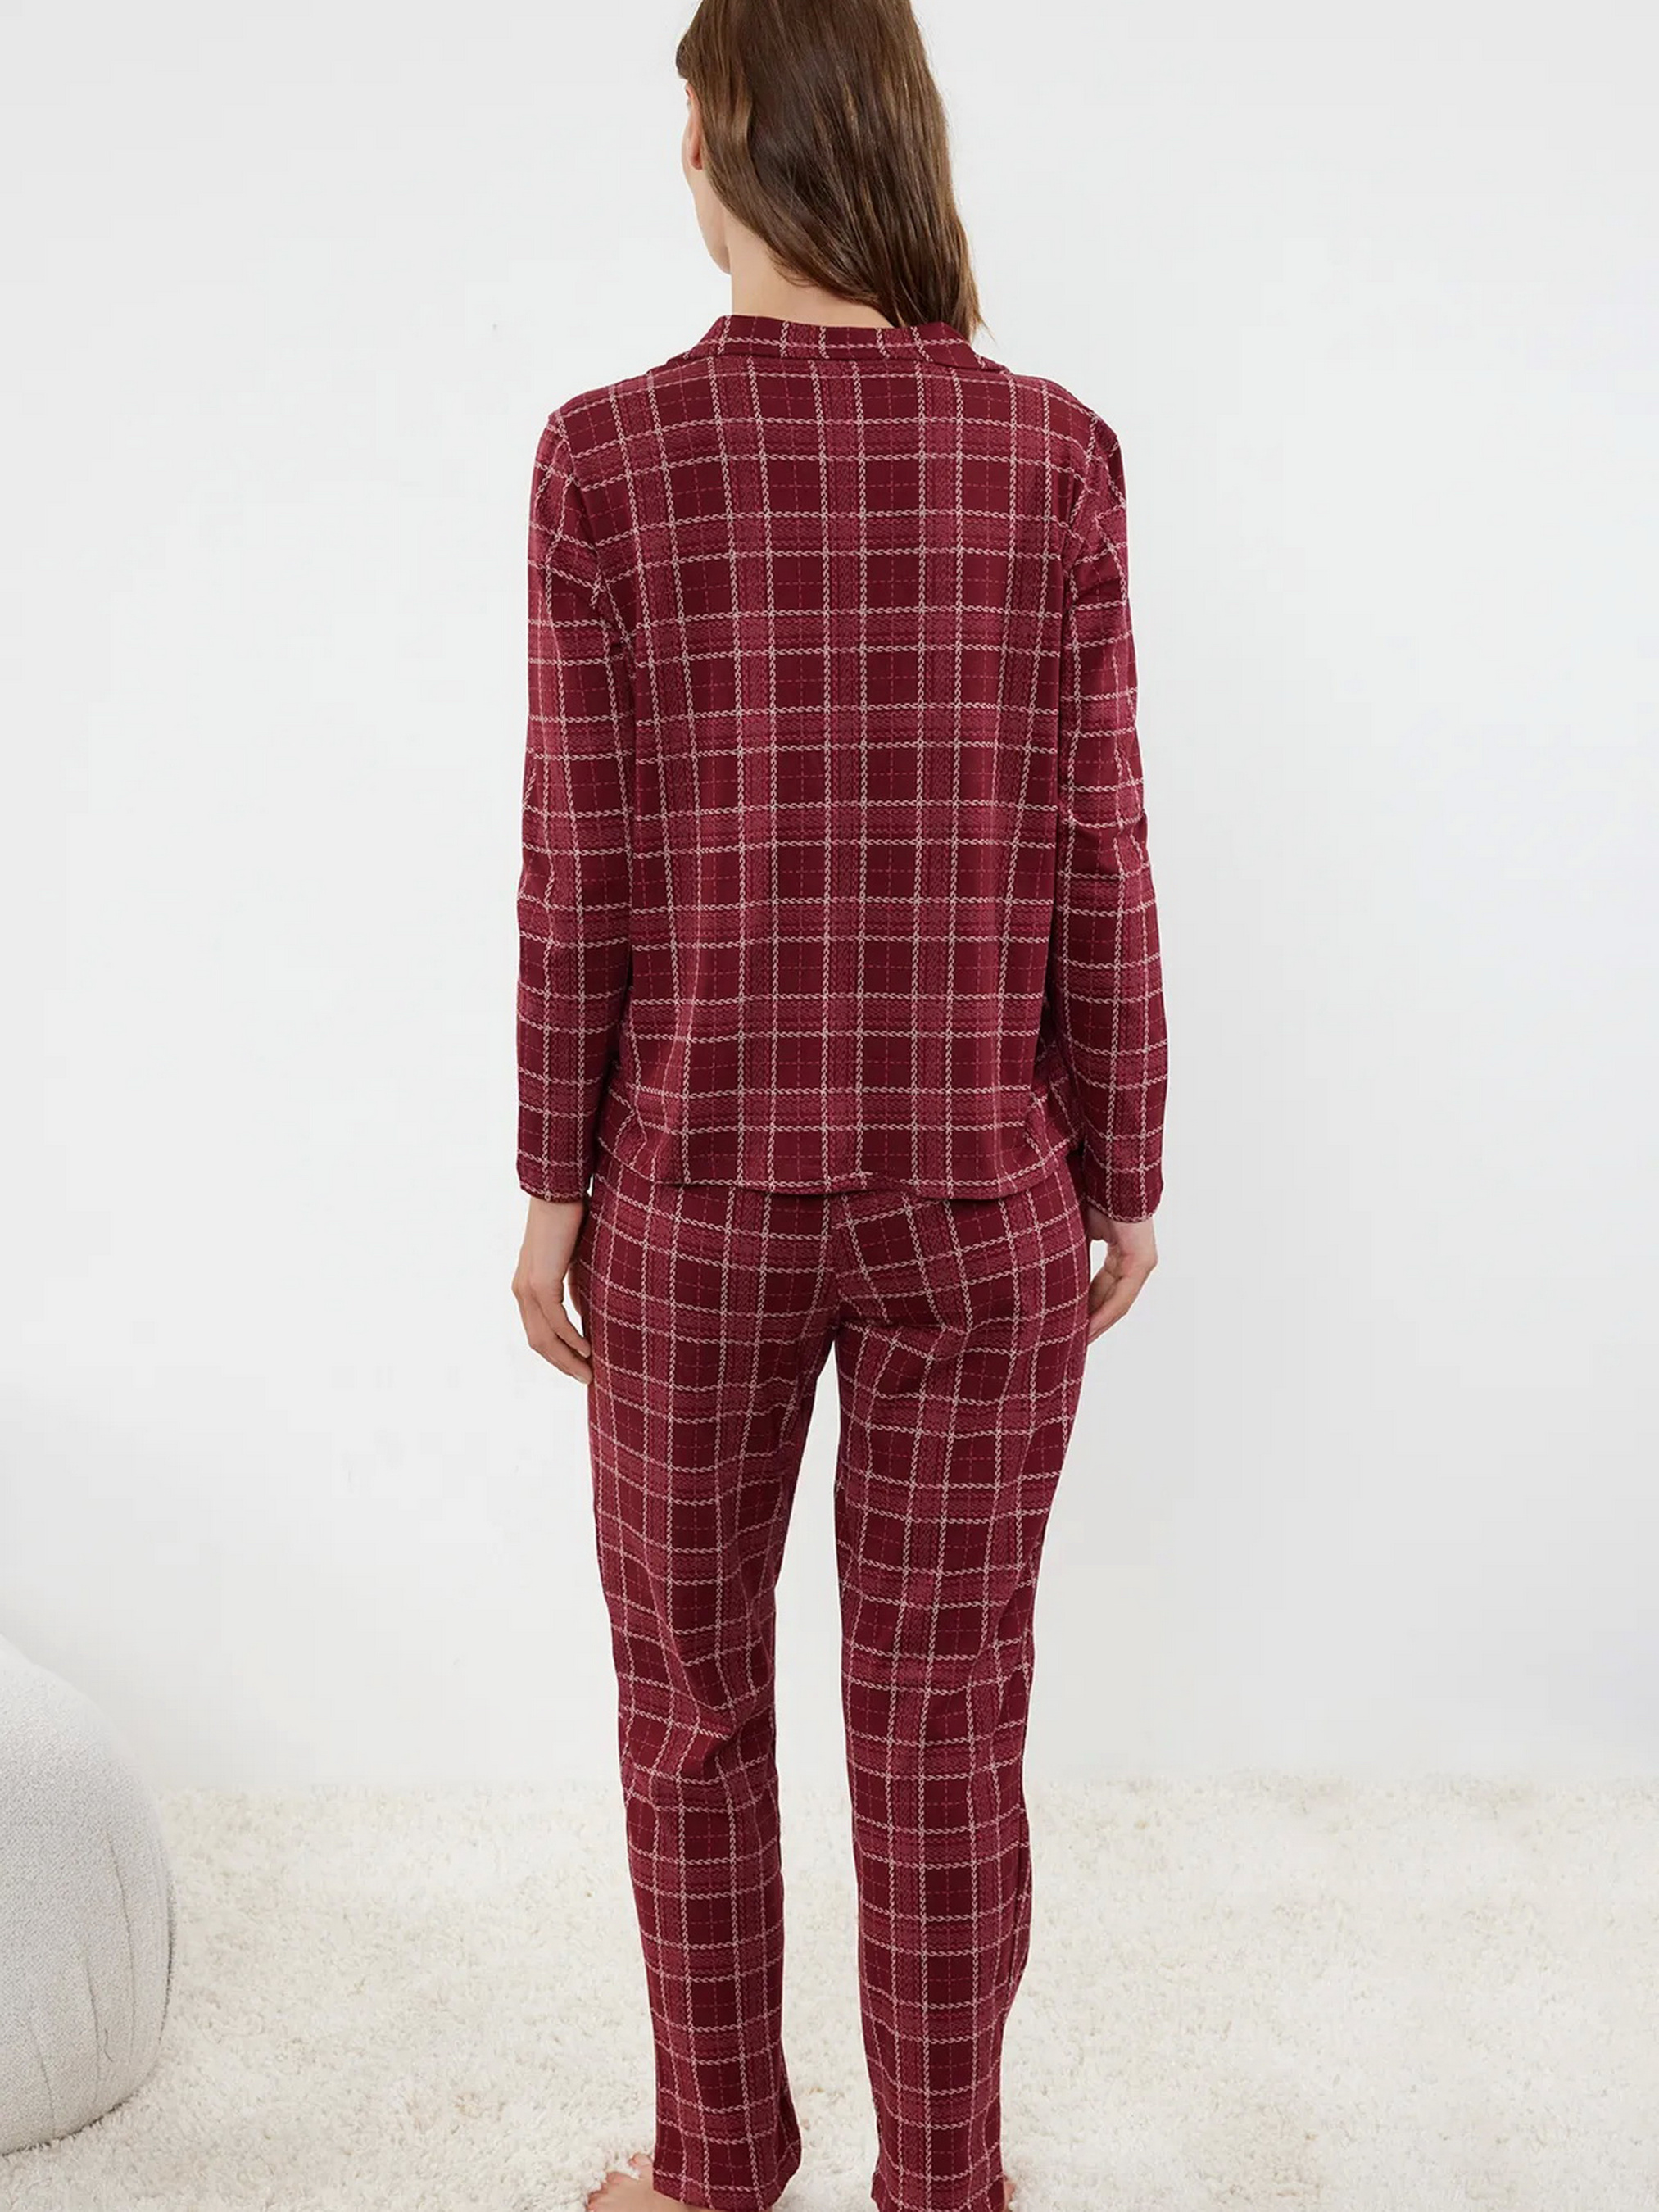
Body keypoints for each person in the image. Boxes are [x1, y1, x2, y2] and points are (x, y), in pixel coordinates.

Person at [510, 3, 1168, 2210]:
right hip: (980, 1195)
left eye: (681, 125)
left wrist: (551, 1180)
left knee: (690, 1701)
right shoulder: (1052, 455)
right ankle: (942, 2184)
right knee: (945, 1715)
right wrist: (1124, 1156)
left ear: (726, 139)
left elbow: (580, 858)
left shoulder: (608, 460)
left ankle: (718, 2164)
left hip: (690, 1195)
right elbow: (1097, 843)